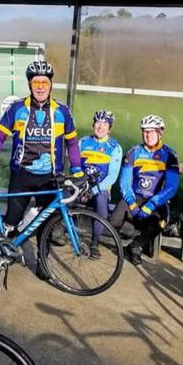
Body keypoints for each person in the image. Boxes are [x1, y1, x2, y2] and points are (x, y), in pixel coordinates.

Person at [0, 60, 83, 278]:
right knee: (11, 220)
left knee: (46, 223)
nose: (40, 86)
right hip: (22, 175)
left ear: (51, 85)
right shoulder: (17, 109)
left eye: (44, 82)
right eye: (35, 82)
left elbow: (73, 144)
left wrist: (78, 171)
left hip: (50, 178)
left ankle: (42, 264)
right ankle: (1, 253)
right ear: (30, 85)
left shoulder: (62, 112)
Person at [109, 115, 179, 266]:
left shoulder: (170, 155)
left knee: (160, 223)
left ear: (160, 133)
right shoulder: (134, 152)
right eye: (145, 132)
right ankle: (138, 236)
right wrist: (131, 202)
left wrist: (151, 204)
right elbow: (125, 182)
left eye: (152, 132)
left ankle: (136, 246)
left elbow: (171, 187)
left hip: (156, 199)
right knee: (113, 222)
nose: (148, 135)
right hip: (135, 196)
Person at [78, 110, 122, 259]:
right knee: (62, 197)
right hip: (81, 186)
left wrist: (94, 190)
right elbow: (75, 166)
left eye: (105, 124)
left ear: (110, 128)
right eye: (98, 123)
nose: (101, 127)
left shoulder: (114, 147)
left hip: (101, 189)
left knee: (101, 203)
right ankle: (58, 232)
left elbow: (112, 177)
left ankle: (95, 242)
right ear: (93, 125)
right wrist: (79, 185)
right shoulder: (83, 142)